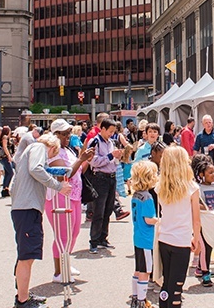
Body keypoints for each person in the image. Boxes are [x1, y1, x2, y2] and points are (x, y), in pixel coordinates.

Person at [11, 133, 71, 308]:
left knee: (26, 254)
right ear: (52, 147)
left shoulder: (29, 151)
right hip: (27, 208)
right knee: (26, 256)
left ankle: (23, 294)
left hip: (25, 207)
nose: (49, 159)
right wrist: (58, 186)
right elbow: (36, 169)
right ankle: (22, 300)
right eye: (52, 155)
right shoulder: (38, 148)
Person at [45, 119, 94, 283]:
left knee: (74, 232)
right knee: (62, 234)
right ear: (55, 135)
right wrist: (81, 159)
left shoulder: (68, 150)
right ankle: (58, 271)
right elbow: (63, 174)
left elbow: (79, 170)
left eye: (69, 134)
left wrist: (86, 158)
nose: (67, 137)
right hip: (59, 197)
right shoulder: (53, 151)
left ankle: (66, 262)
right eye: (64, 134)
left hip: (74, 196)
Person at [156, 146, 202, 307]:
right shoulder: (192, 187)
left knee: (166, 282)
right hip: (182, 240)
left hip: (164, 238)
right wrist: (197, 238)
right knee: (177, 287)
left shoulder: (160, 186)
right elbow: (196, 220)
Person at [86, 118, 124, 254]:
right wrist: (110, 156)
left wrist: (117, 156)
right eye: (110, 131)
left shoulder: (110, 142)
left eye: (113, 132)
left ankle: (103, 237)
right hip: (100, 178)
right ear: (102, 129)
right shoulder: (95, 142)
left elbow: (113, 160)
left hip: (111, 177)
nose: (111, 134)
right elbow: (94, 162)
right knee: (98, 211)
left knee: (108, 210)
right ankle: (94, 241)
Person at [192, 155, 214, 287]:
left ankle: (200, 268)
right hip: (201, 222)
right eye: (210, 172)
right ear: (202, 174)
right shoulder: (197, 188)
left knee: (210, 245)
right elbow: (194, 204)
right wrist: (205, 207)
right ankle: (206, 272)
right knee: (204, 247)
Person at [130, 160, 159, 308]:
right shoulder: (147, 197)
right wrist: (159, 220)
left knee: (138, 269)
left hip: (138, 237)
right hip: (147, 239)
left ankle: (135, 298)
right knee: (145, 271)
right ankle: (142, 300)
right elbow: (149, 219)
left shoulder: (136, 195)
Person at [0, 126, 15, 198]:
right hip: (4, 157)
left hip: (3, 158)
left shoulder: (3, 137)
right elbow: (5, 147)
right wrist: (9, 156)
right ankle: (5, 188)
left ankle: (5, 189)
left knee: (7, 173)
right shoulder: (5, 137)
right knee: (11, 173)